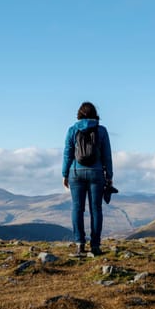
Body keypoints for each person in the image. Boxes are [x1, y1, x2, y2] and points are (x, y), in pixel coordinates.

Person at [62, 102, 113, 256]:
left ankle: (79, 245)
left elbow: (67, 154)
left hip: (76, 173)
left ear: (79, 114)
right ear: (95, 114)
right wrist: (109, 176)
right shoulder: (102, 130)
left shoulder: (72, 130)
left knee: (77, 208)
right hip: (96, 173)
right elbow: (107, 155)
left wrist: (65, 174)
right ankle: (95, 246)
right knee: (96, 209)